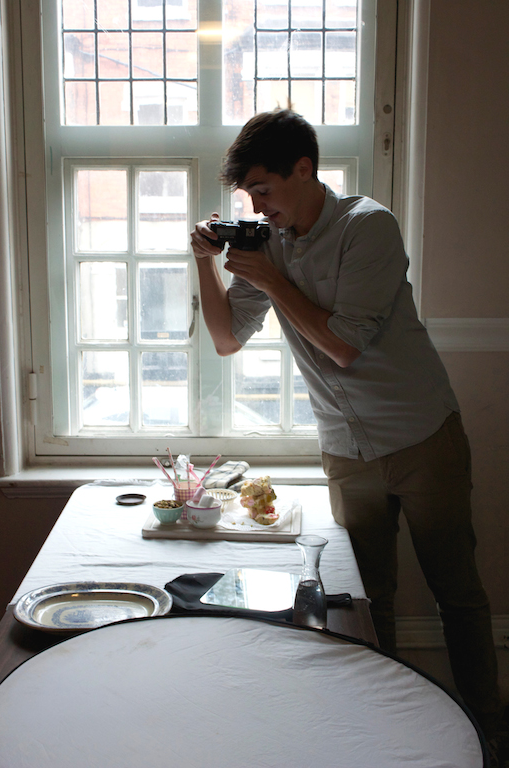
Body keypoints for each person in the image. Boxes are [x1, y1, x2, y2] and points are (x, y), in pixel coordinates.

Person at [190, 108, 502, 741]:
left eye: (265, 189)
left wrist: (272, 279)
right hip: (346, 446)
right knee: (366, 598)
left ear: (304, 169)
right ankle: (385, 729)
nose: (257, 205)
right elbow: (225, 341)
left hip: (421, 437)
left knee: (458, 595)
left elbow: (344, 348)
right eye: (248, 194)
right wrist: (205, 261)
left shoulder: (369, 227)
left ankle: (487, 731)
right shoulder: (263, 243)